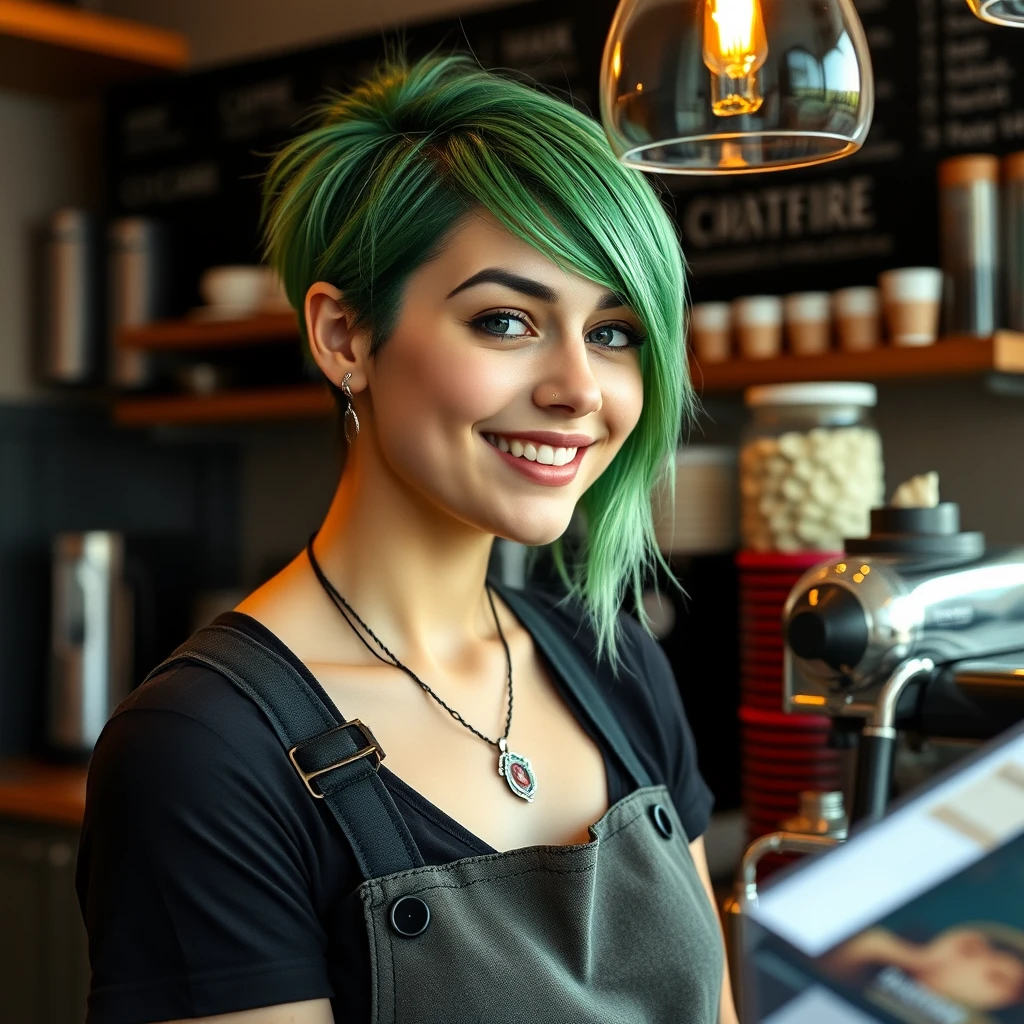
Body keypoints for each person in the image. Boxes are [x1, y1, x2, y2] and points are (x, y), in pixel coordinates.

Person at [75, 53, 739, 1024]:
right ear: (344, 336)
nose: (579, 391)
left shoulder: (615, 661)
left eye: (612, 332)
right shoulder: (200, 752)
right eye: (507, 320)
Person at [826, 924, 1024, 1013]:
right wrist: (918, 958)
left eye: (996, 978)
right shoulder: (879, 972)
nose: (974, 965)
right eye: (972, 952)